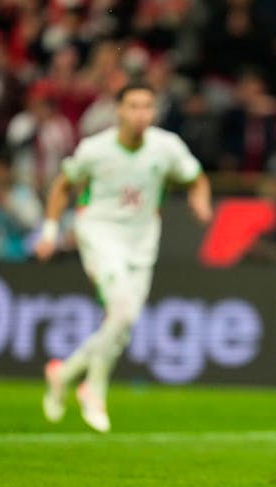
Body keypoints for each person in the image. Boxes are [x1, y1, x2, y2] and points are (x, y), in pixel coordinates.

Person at [34, 80, 212, 433]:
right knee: (122, 310)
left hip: (142, 243)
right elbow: (63, 186)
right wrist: (50, 233)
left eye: (147, 107)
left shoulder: (167, 147)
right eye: (133, 106)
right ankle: (93, 390)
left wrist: (200, 202)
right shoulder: (95, 150)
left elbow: (196, 178)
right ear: (119, 111)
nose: (140, 114)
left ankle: (64, 373)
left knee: (124, 326)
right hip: (100, 234)